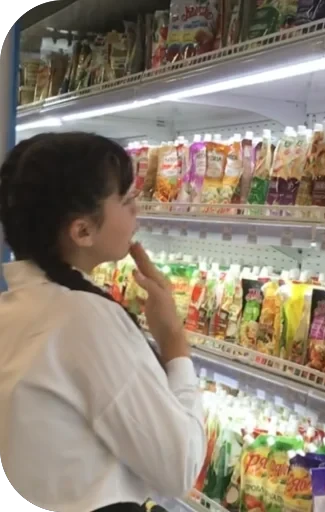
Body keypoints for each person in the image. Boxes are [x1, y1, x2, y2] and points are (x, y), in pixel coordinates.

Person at [0, 132, 206, 512]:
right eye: (126, 200)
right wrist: (174, 342)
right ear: (82, 231)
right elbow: (180, 467)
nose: (137, 210)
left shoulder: (17, 305)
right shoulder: (83, 319)